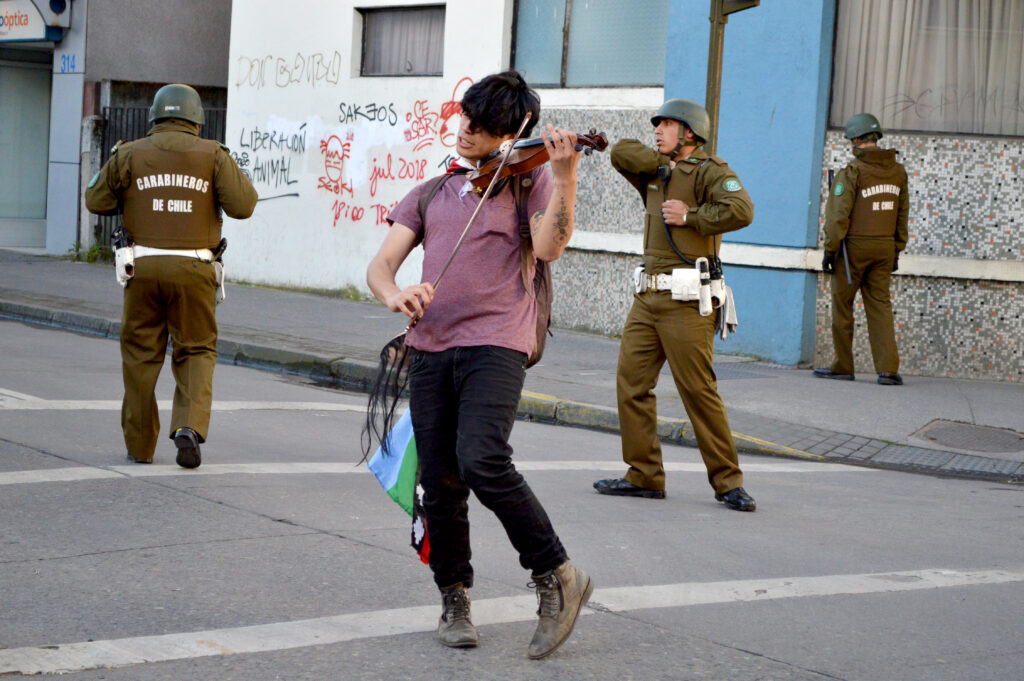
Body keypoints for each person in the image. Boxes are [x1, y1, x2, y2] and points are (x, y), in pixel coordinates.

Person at [366, 71, 592, 659]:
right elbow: (382, 266)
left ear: (509, 133)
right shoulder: (432, 192)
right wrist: (396, 295)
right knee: (438, 481)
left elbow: (549, 247)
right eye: (466, 118)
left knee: (483, 458)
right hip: (431, 345)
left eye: (485, 126)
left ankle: (557, 575)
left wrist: (564, 175)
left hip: (498, 341)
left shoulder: (530, 182)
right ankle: (454, 597)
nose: (467, 131)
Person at [593, 99, 756, 512]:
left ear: (689, 132)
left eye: (666, 124)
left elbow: (742, 209)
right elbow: (619, 152)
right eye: (658, 125)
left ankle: (728, 482)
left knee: (698, 392)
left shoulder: (709, 171)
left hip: (686, 301)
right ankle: (644, 475)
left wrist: (692, 216)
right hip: (647, 299)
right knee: (631, 385)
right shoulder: (655, 170)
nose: (658, 130)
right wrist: (661, 159)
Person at [85, 83, 258, 468]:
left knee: (140, 355)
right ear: (197, 121)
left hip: (141, 268)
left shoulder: (129, 153)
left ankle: (140, 445)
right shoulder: (213, 154)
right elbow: (244, 205)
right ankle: (188, 428)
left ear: (154, 118)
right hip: (195, 269)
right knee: (195, 348)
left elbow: (96, 199)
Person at [814, 113, 908, 386]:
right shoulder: (898, 173)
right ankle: (888, 369)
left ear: (856, 140)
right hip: (885, 248)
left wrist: (830, 251)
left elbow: (837, 218)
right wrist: (896, 250)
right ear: (875, 138)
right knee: (880, 306)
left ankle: (843, 365)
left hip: (852, 250)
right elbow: (902, 215)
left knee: (843, 306)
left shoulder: (852, 171)